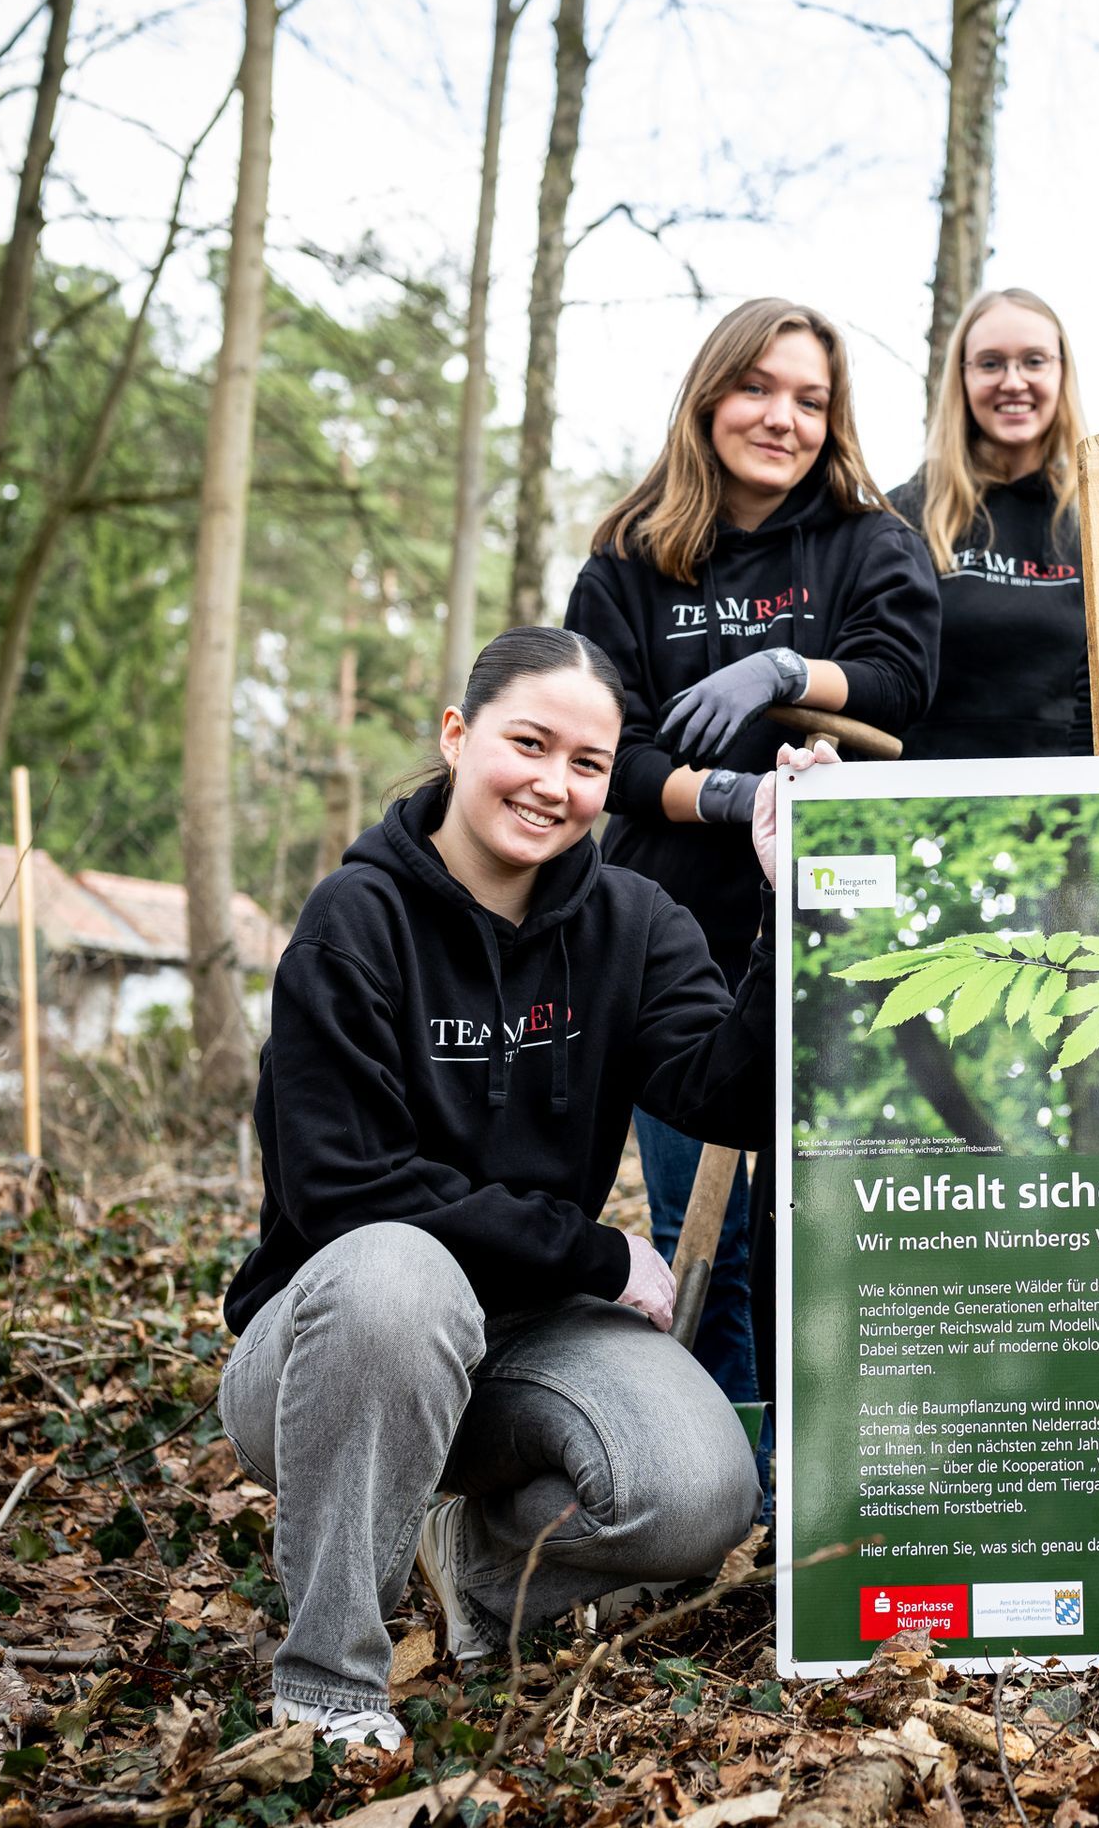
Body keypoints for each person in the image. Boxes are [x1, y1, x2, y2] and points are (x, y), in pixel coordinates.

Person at [220, 626, 831, 1750]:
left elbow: (729, 1096)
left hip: (522, 1346)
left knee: (703, 1487)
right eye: (529, 743)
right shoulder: (354, 923)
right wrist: (597, 1254)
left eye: (589, 763)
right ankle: (330, 1676)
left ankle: (481, 1573)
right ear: (459, 737)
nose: (554, 785)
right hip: (332, 1347)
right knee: (404, 1272)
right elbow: (346, 1191)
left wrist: (791, 909)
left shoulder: (635, 923)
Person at [565, 298, 940, 1412]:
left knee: (834, 1222)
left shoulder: (870, 541)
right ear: (711, 395)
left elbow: (898, 680)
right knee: (703, 1234)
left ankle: (829, 1472)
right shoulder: (630, 560)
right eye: (759, 388)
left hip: (840, 918)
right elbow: (608, 749)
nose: (783, 417)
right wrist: (733, 796)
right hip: (670, 931)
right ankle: (725, 1479)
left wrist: (786, 670)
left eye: (811, 399)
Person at [888, 289, 1093, 759]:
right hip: (926, 800)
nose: (1013, 381)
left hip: (1073, 801)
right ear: (962, 377)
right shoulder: (904, 514)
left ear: (1062, 372)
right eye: (991, 363)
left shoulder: (1097, 522)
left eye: (1034, 361)